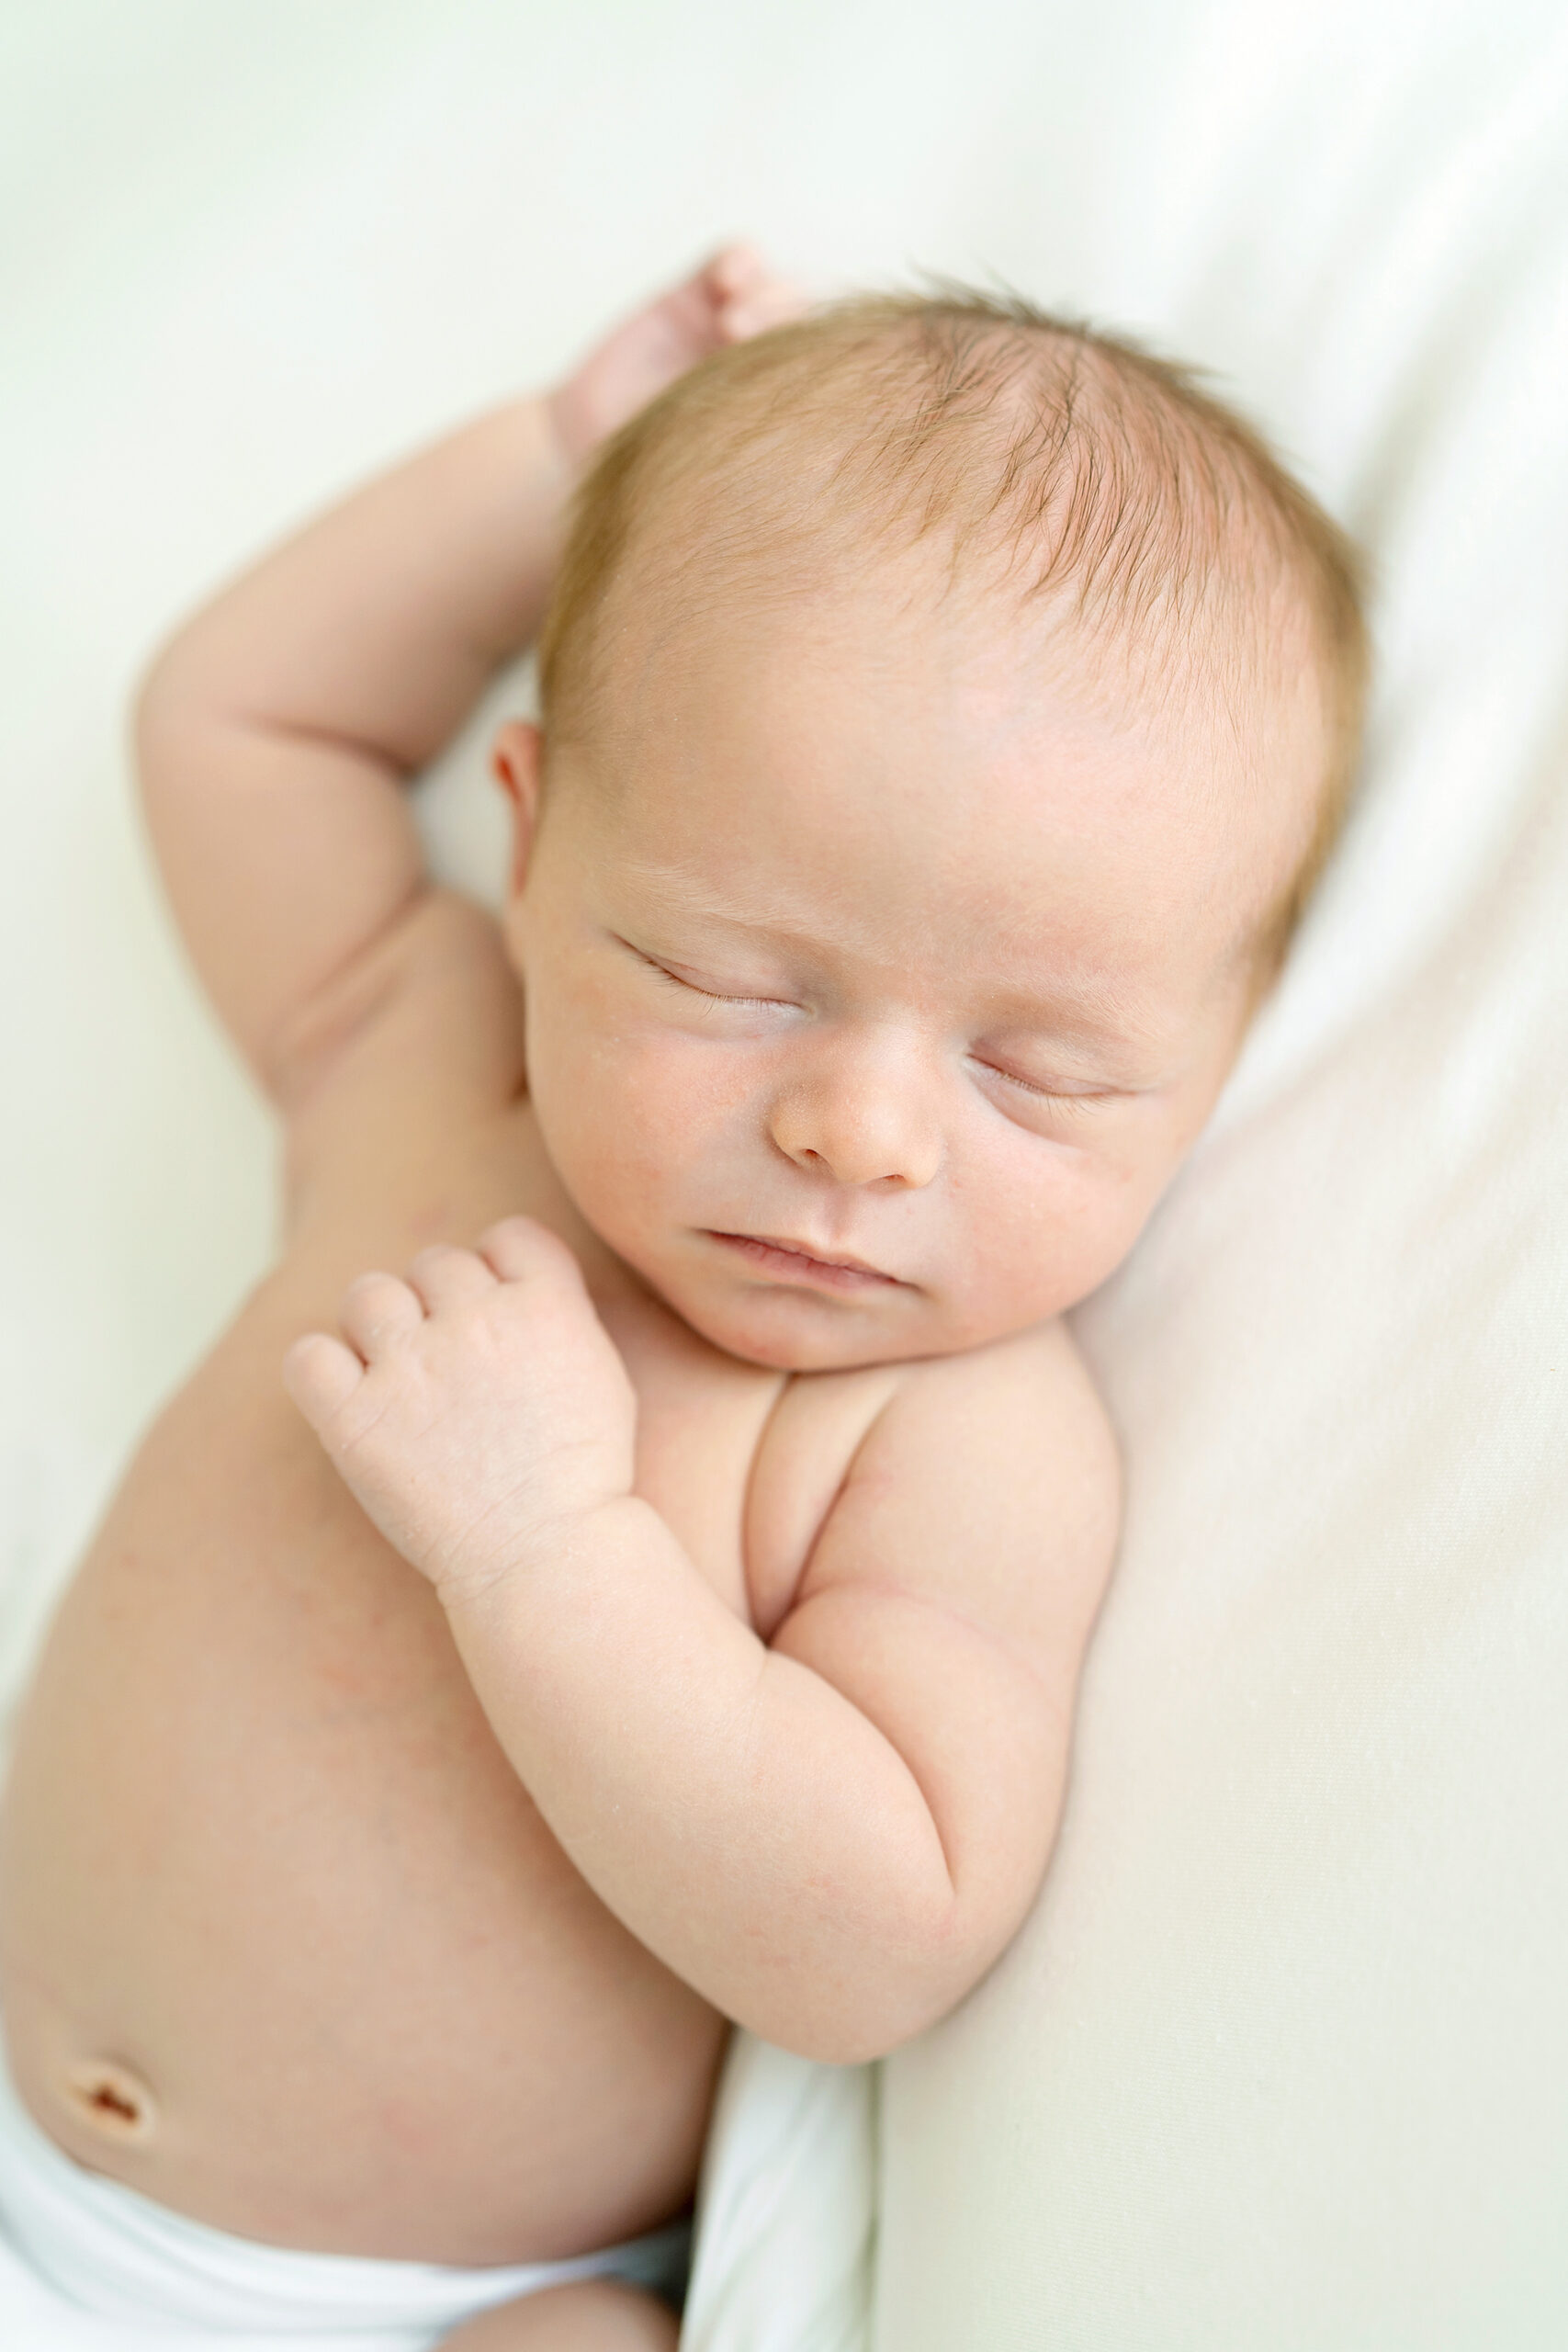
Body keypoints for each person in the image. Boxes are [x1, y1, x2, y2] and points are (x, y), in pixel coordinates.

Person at [0, 247, 1365, 2349]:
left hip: (430, 2304)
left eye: (1038, 1065)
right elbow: (235, 724)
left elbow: (877, 1933)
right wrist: (544, 471)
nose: (863, 1128)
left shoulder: (950, 1433)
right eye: (731, 978)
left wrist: (546, 1552)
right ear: (530, 857)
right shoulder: (431, 1063)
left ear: (1218, 1043)